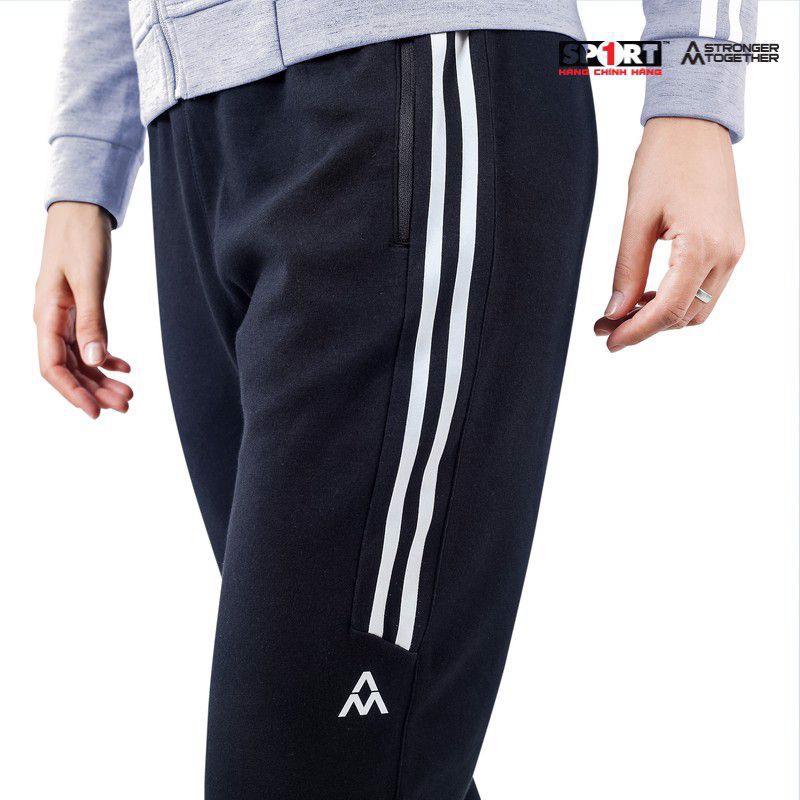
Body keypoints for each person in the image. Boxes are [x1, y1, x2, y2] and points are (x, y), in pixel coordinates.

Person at [35, 2, 754, 798]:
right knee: (360, 754)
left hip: (416, 81)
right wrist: (84, 170)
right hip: (191, 130)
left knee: (308, 763)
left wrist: (697, 84)